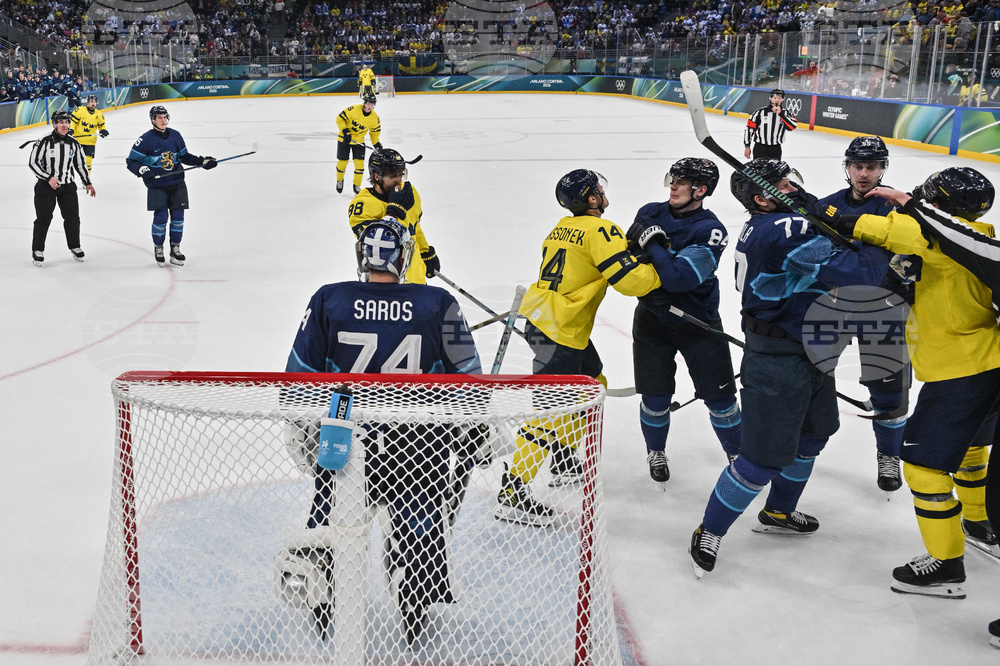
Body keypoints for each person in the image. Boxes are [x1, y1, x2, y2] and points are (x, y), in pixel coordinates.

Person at [281, 217, 482, 643]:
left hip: (343, 440)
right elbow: (469, 379)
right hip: (419, 443)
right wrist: (471, 427)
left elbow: (298, 379)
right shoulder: (436, 303)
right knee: (422, 523)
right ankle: (416, 595)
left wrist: (300, 429)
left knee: (331, 523)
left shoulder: (329, 299)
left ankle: (320, 596)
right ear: (404, 257)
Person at [688, 158, 889, 577]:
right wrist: (887, 235)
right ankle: (710, 530)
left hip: (811, 347)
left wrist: (815, 208)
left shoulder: (783, 218)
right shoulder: (781, 229)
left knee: (813, 435)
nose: (793, 187)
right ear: (763, 198)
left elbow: (818, 219)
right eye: (783, 184)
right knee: (760, 459)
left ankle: (778, 513)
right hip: (778, 357)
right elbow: (862, 272)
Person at [827, 167, 1000, 598]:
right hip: (990, 362)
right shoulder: (978, 236)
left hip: (957, 373)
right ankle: (979, 524)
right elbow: (900, 286)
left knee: (923, 468)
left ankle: (945, 563)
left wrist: (800, 197)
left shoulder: (925, 237)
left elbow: (852, 221)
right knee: (973, 449)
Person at [495, 169, 664, 526]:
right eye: (599, 189)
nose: (603, 193)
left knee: (593, 382)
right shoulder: (603, 229)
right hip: (562, 330)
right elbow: (629, 282)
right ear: (591, 198)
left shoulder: (560, 227)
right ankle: (513, 490)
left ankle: (562, 456)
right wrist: (660, 269)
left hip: (546, 320)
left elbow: (586, 262)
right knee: (548, 413)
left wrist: (628, 251)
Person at [629, 158, 742, 484]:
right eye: (672, 178)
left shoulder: (711, 229)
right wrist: (655, 258)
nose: (672, 186)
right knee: (655, 398)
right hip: (652, 320)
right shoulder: (650, 211)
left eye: (681, 182)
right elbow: (628, 258)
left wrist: (652, 245)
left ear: (701, 190)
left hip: (698, 324)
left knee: (721, 400)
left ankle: (737, 454)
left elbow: (681, 279)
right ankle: (656, 450)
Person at [814, 136, 910, 492]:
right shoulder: (825, 206)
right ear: (848, 167)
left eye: (872, 166)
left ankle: (889, 456)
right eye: (858, 166)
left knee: (889, 396)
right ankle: (799, 449)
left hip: (884, 313)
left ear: (883, 169)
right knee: (810, 379)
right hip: (833, 308)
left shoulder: (900, 209)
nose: (864, 173)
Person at [126, 105, 217, 267]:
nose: (162, 120)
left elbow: (184, 156)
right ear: (152, 120)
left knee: (178, 218)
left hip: (177, 183)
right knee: (161, 218)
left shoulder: (175, 135)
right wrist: (143, 170)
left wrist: (202, 162)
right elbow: (131, 161)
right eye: (159, 117)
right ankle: (158, 247)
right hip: (157, 185)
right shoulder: (145, 139)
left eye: (164, 117)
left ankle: (175, 249)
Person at [348, 146, 438, 285]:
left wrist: (425, 252)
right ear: (377, 176)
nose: (399, 180)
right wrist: (393, 212)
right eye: (393, 176)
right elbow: (375, 244)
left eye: (401, 175)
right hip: (387, 287)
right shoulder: (361, 205)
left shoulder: (409, 193)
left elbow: (414, 226)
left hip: (416, 281)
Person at [27, 110, 96, 266]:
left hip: (68, 186)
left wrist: (88, 182)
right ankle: (37, 249)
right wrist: (48, 178)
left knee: (72, 218)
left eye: (66, 122)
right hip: (46, 186)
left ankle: (75, 246)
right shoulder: (44, 141)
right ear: (54, 124)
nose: (64, 125)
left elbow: (80, 164)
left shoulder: (73, 142)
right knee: (43, 219)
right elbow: (33, 163)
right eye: (61, 122)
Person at [336, 91, 381, 194]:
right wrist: (345, 130)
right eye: (368, 103)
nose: (370, 106)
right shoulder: (354, 109)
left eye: (372, 104)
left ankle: (356, 186)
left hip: (359, 142)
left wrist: (376, 144)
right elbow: (339, 118)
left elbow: (374, 132)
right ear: (364, 103)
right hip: (344, 140)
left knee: (360, 166)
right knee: (342, 163)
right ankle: (339, 180)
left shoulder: (374, 118)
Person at [743, 88, 797, 160]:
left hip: (775, 149)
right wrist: (747, 146)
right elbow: (749, 129)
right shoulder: (759, 112)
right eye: (774, 98)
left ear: (782, 99)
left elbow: (792, 127)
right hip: (760, 148)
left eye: (779, 98)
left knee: (774, 171)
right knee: (759, 171)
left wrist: (781, 114)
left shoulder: (786, 113)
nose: (777, 100)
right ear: (770, 98)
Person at [69, 94, 109, 172]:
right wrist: (71, 129)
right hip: (77, 140)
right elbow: (72, 122)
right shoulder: (80, 110)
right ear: (88, 102)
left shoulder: (99, 114)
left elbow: (101, 125)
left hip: (90, 141)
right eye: (91, 102)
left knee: (88, 162)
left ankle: (86, 182)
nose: (93, 103)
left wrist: (102, 130)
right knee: (72, 161)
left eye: (94, 102)